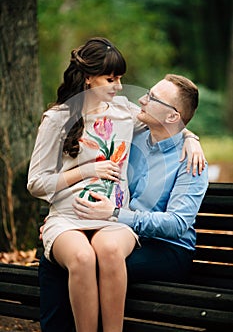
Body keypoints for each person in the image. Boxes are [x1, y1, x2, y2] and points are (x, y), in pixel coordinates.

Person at [28, 37, 205, 332]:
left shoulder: (124, 114)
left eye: (121, 78)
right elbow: (36, 182)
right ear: (88, 78)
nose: (123, 88)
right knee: (79, 258)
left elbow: (171, 121)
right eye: (111, 79)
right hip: (75, 219)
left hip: (128, 229)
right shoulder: (61, 119)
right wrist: (86, 171)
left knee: (89, 259)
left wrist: (191, 138)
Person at [73, 74, 209, 285]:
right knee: (69, 260)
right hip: (121, 235)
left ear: (172, 117)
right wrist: (65, 220)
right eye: (148, 93)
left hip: (167, 249)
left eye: (152, 98)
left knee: (97, 266)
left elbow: (177, 224)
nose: (142, 101)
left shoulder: (190, 161)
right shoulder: (132, 136)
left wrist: (117, 214)